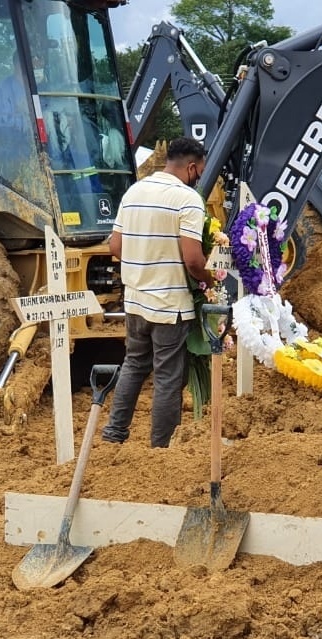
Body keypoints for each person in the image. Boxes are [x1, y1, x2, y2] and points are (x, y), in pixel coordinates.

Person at [101, 137, 214, 448]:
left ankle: (114, 433)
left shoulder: (134, 192)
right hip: (169, 306)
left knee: (134, 364)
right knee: (168, 377)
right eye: (200, 171)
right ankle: (161, 448)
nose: (199, 177)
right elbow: (193, 260)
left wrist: (144, 262)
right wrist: (209, 281)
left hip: (136, 302)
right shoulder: (187, 199)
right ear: (191, 167)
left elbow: (115, 246)